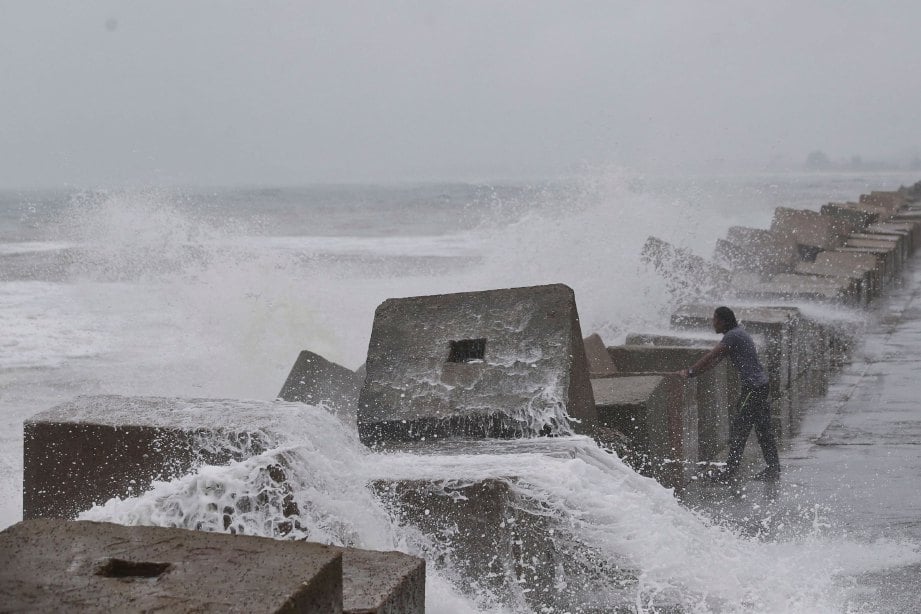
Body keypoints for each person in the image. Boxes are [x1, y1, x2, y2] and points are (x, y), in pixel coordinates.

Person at [677, 306, 781, 482]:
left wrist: (690, 371)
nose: (713, 323)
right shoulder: (738, 333)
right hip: (761, 386)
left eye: (715, 319)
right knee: (763, 429)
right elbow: (716, 361)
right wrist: (694, 374)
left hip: (753, 388)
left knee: (739, 429)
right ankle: (773, 469)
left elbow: (712, 355)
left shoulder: (732, 336)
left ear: (723, 321)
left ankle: (730, 471)